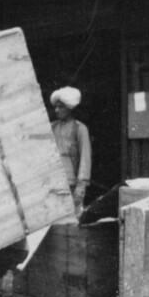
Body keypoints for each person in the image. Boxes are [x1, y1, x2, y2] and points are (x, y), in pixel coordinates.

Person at [50, 86, 92, 215]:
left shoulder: (80, 128)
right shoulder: (52, 127)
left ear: (69, 108)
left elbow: (85, 157)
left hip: (71, 185)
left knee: (73, 220)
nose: (57, 110)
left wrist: (81, 186)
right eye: (55, 107)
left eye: (61, 107)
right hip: (53, 184)